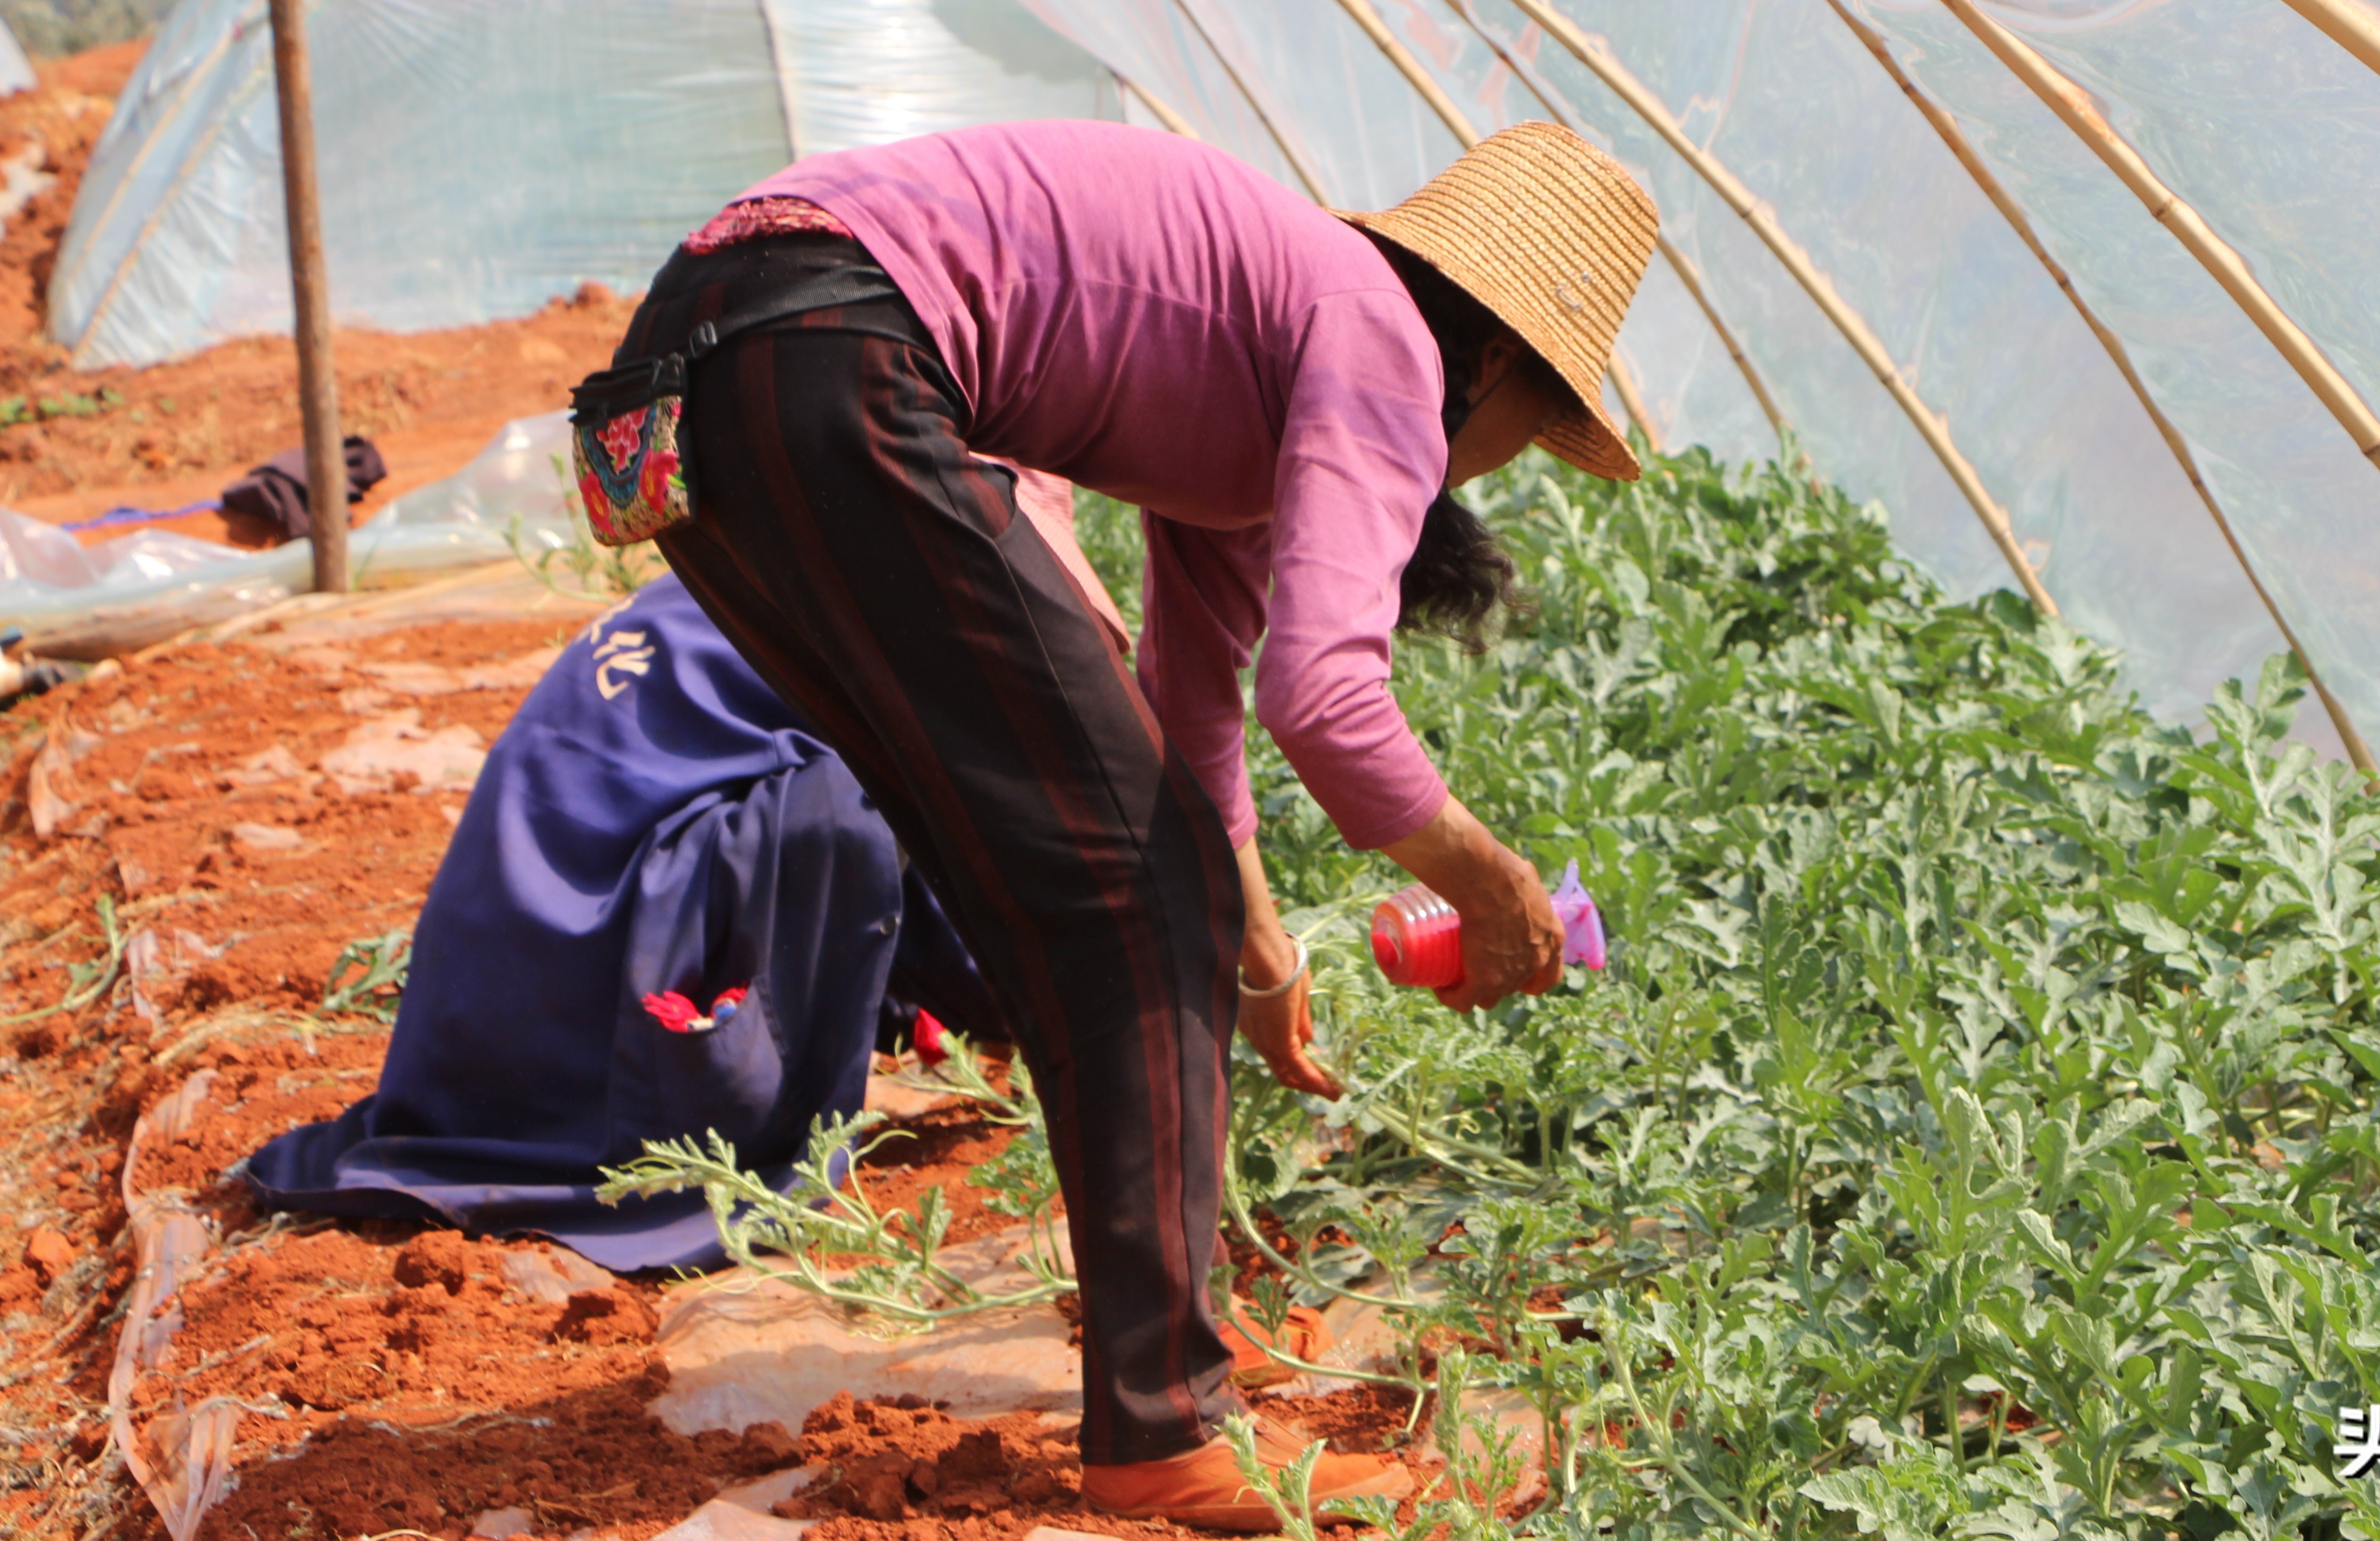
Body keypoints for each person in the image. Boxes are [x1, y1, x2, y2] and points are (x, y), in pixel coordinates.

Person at [604, 118, 1657, 1529]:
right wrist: (1492, 881)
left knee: (1073, 880)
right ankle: (1166, 1427)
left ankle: (1160, 1363)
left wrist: (1257, 947)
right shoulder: (1385, 342)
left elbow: (1194, 703)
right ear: (1507, 363)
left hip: (703, 367)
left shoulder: (1284, 341)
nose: (1513, 461)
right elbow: (1325, 701)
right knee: (1130, 891)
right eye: (1548, 422)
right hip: (833, 346)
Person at [242, 567, 1014, 1269]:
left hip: (494, 999)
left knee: (847, 788)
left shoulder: (757, 567)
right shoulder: (888, 610)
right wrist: (1026, 1007)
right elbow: (920, 835)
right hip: (584, 983)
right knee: (863, 797)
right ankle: (720, 1115)